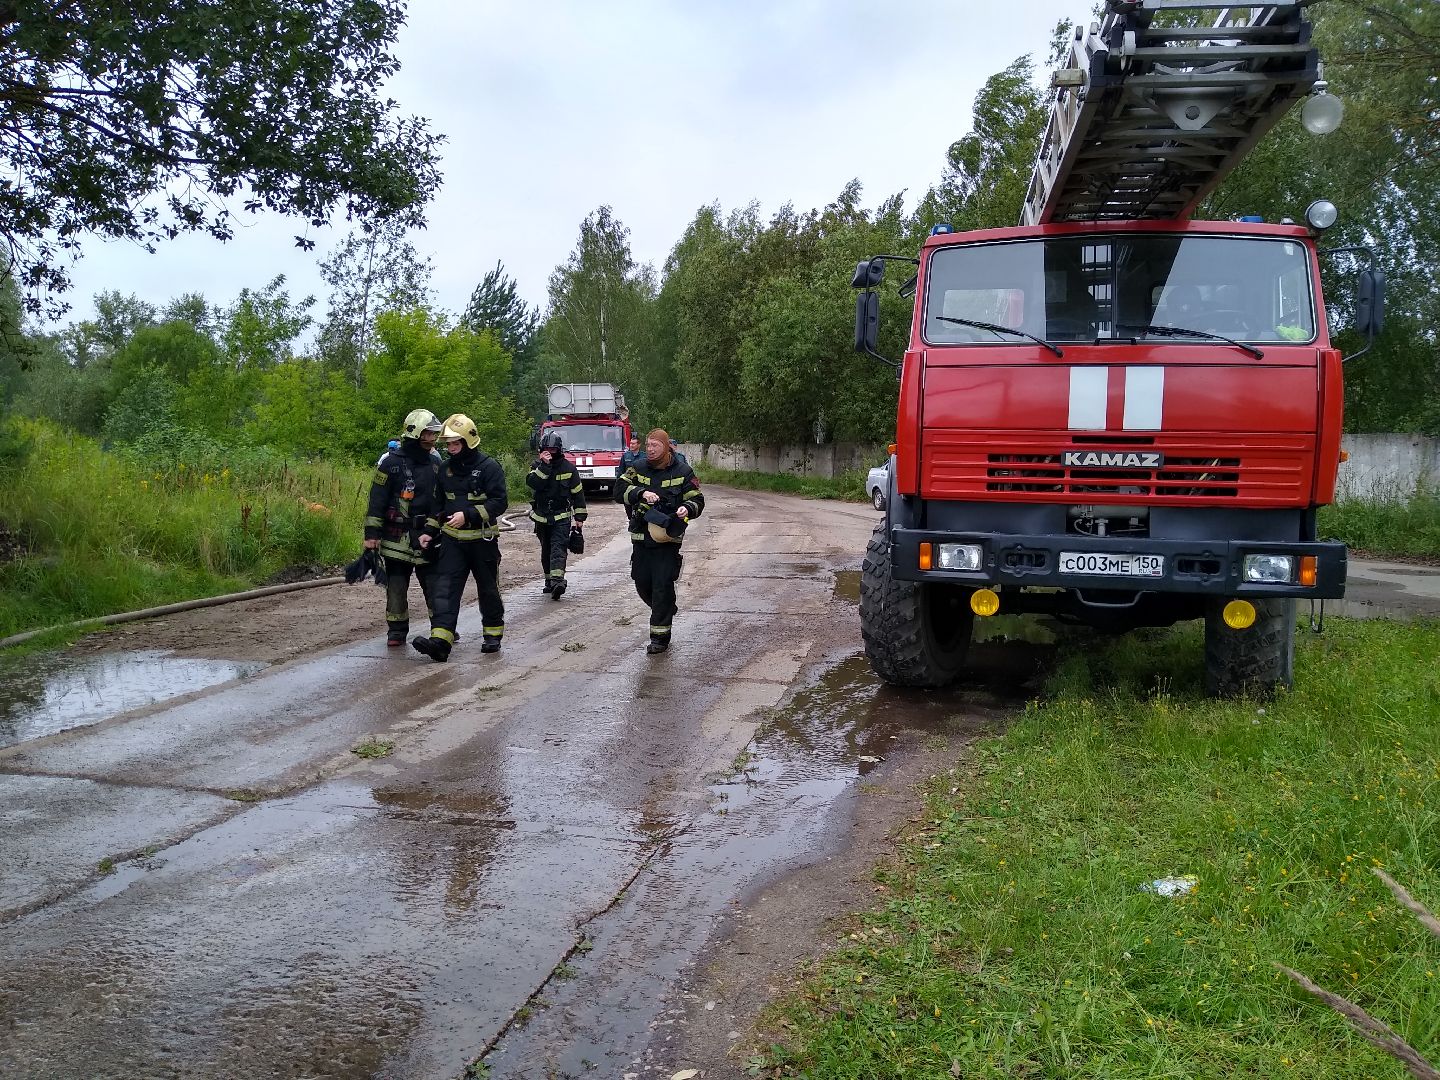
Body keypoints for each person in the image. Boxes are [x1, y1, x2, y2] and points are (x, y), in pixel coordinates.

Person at [411, 414, 508, 662]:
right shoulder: (445, 469)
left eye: (456, 443)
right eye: (448, 444)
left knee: (488, 589)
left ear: (468, 442)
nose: (451, 448)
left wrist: (468, 515)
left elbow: (499, 502)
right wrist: (428, 531)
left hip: (482, 541)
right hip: (452, 542)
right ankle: (440, 642)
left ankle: (492, 635)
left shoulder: (489, 467)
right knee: (444, 589)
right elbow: (438, 505)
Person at [618, 428, 704, 654]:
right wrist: (640, 493)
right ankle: (665, 606)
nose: (650, 449)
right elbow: (619, 490)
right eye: (648, 445)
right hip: (641, 537)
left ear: (665, 447)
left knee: (662, 586)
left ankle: (659, 638)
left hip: (667, 540)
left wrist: (687, 508)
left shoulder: (683, 471)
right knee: (642, 583)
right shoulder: (637, 468)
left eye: (655, 445)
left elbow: (697, 499)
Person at [364, 409, 444, 646]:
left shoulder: (436, 464)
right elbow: (376, 502)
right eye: (428, 434)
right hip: (396, 537)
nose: (432, 439)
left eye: (434, 434)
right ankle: (397, 631)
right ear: (415, 434)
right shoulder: (390, 464)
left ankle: (442, 629)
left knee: (434, 584)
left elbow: (440, 501)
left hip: (427, 535)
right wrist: (371, 535)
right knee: (396, 586)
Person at [526, 429, 587, 599]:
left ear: (559, 450)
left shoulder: (569, 468)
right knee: (546, 550)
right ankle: (549, 581)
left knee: (558, 548)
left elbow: (578, 494)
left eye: (552, 450)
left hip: (561, 517)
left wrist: (580, 518)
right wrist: (544, 466)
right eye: (546, 450)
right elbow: (534, 483)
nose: (550, 453)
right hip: (541, 517)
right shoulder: (536, 466)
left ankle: (558, 581)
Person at [615, 434, 644, 503]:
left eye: (633, 444)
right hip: (628, 484)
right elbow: (621, 470)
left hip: (640, 484)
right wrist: (618, 483)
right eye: (630, 443)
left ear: (639, 445)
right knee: (628, 502)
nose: (631, 445)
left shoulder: (644, 456)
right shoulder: (625, 456)